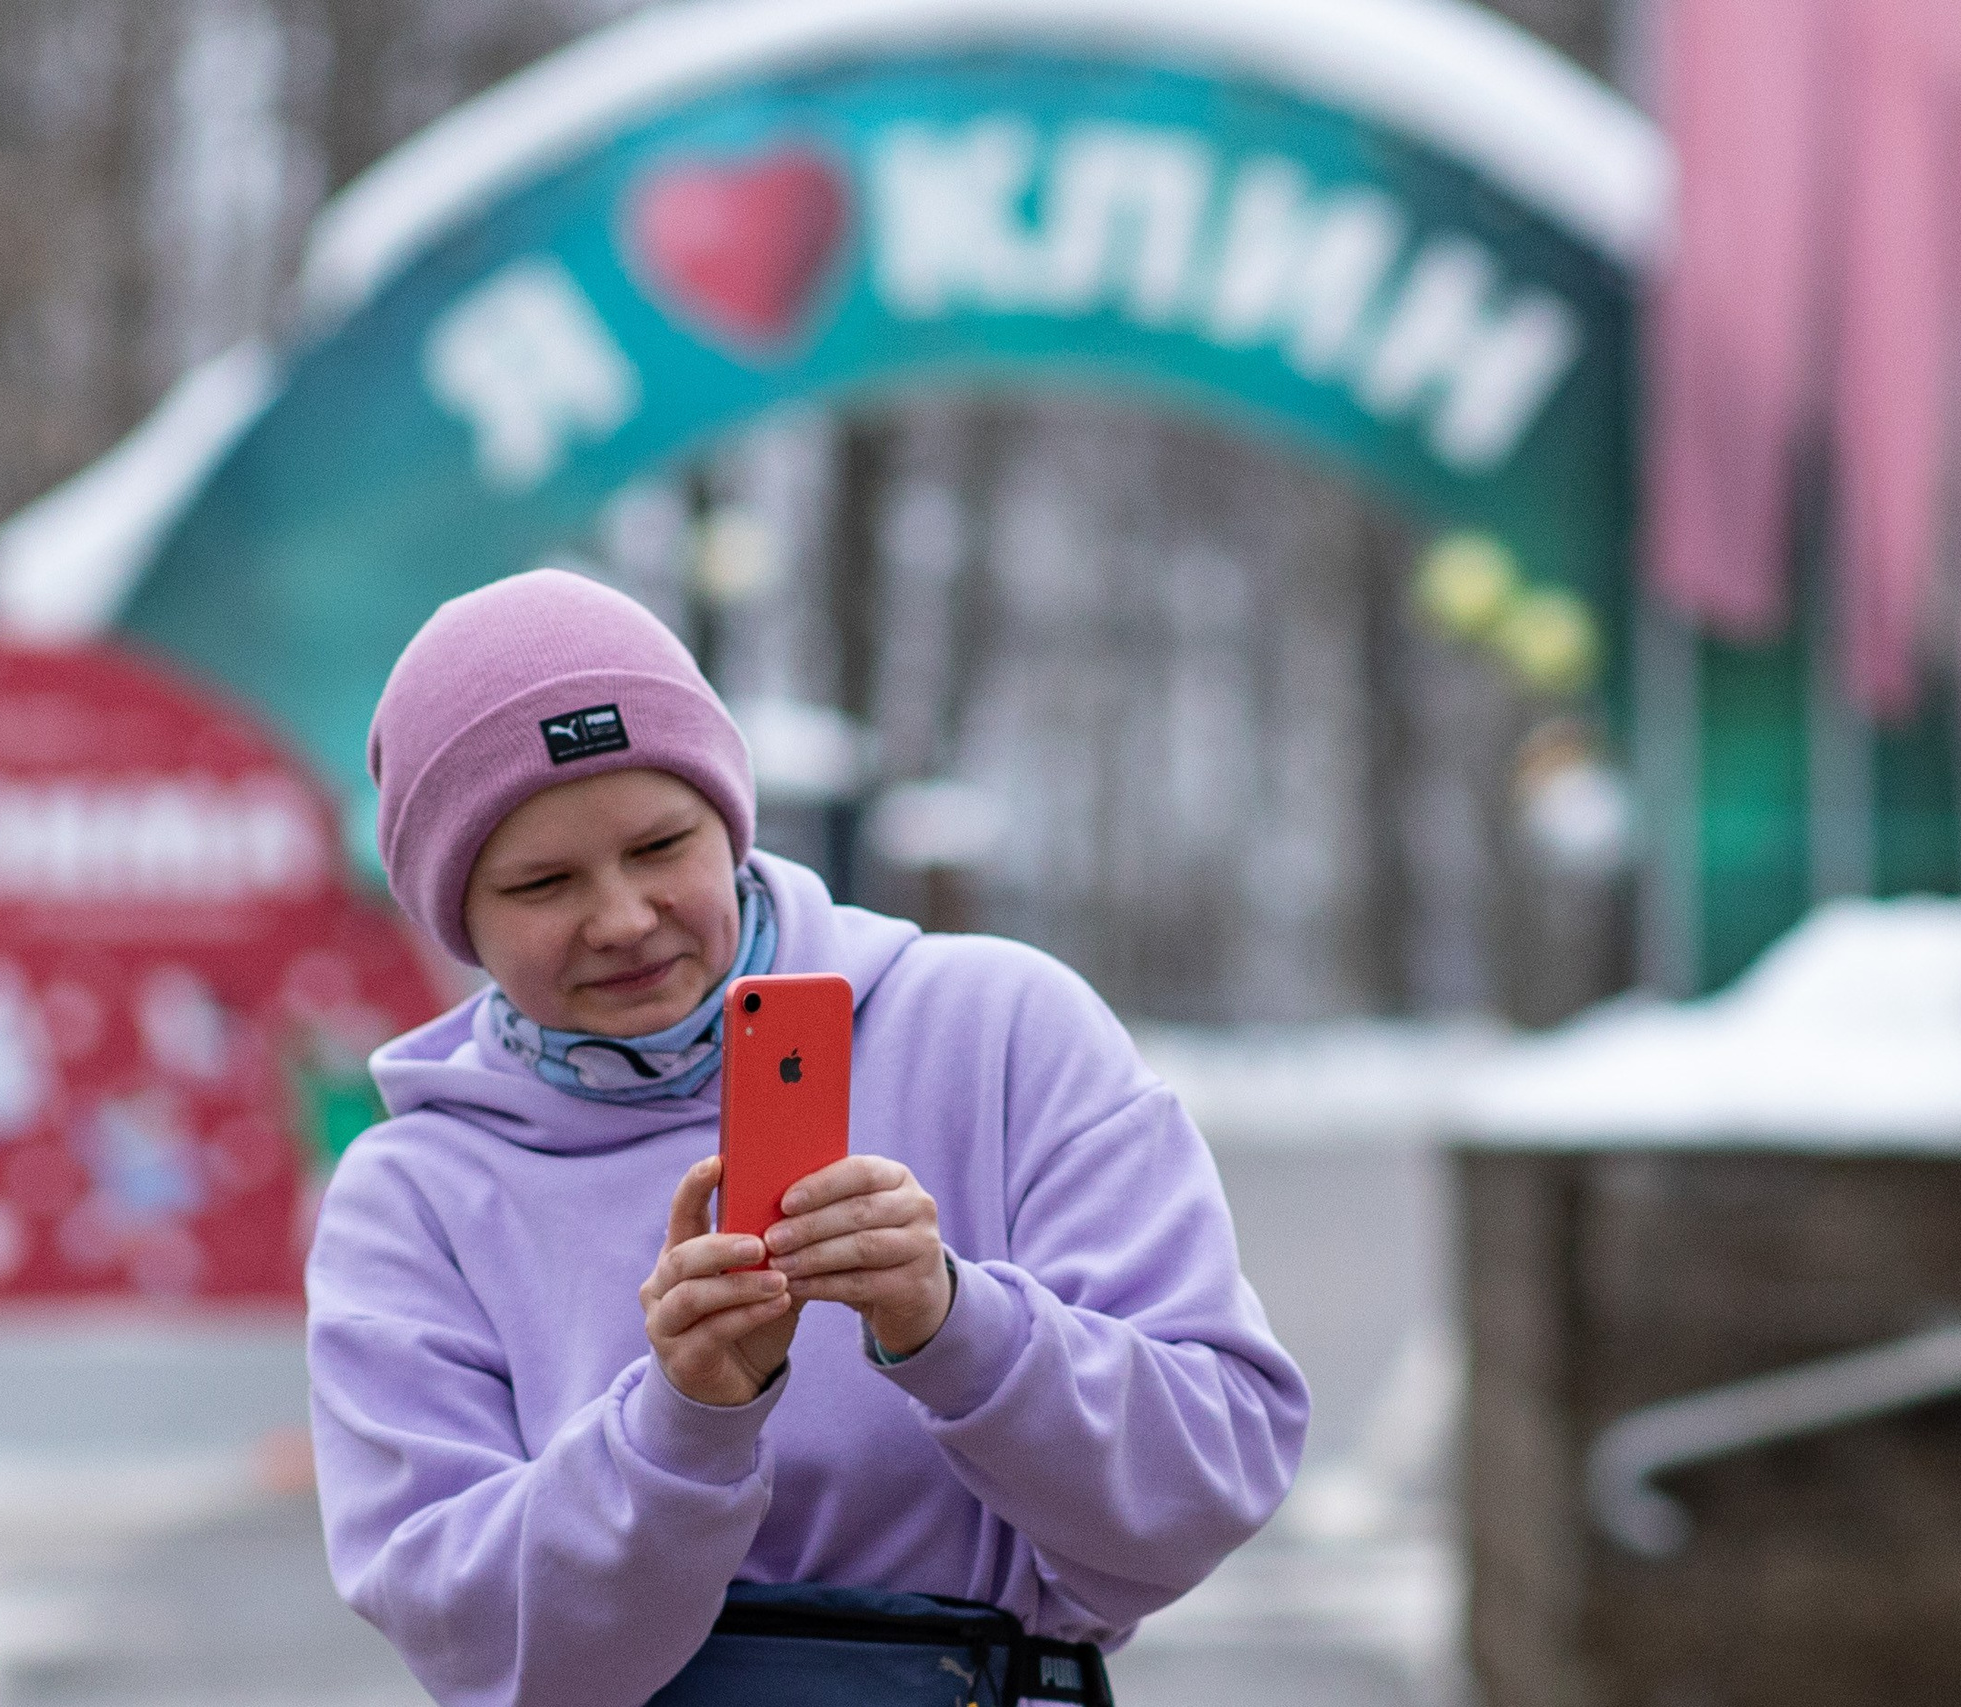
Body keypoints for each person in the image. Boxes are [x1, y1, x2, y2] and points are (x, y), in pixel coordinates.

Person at [306, 569, 1308, 1707]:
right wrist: (682, 1421)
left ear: (731, 822)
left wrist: (955, 1324)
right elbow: (483, 1651)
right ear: (459, 920)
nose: (624, 918)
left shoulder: (999, 1029)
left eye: (660, 846)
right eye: (542, 882)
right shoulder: (417, 1189)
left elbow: (1208, 1483)